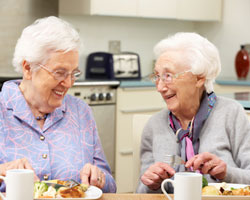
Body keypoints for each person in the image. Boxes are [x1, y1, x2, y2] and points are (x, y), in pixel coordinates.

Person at [0, 16, 116, 193]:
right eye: (60, 73)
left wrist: (98, 178)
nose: (69, 83)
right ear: (28, 68)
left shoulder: (80, 111)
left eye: (73, 73)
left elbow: (110, 185)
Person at [136, 32, 250, 193]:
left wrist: (227, 173)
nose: (160, 87)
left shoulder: (231, 114)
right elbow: (140, 194)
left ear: (199, 78)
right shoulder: (154, 125)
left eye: (168, 76)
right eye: (157, 76)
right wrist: (151, 184)